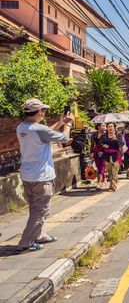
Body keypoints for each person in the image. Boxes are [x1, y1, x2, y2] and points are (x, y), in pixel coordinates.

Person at [16, 99, 73, 252]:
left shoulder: (21, 128)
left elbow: (45, 133)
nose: (45, 113)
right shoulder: (39, 130)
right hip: (42, 177)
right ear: (39, 112)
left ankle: (40, 235)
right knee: (40, 210)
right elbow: (64, 138)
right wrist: (68, 125)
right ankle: (26, 242)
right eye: (44, 110)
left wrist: (59, 123)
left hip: (28, 175)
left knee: (36, 208)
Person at [102, 122, 122, 192]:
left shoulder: (118, 135)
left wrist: (116, 139)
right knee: (109, 172)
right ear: (107, 128)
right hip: (107, 155)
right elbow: (101, 143)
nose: (110, 128)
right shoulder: (104, 135)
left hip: (115, 155)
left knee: (115, 172)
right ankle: (112, 184)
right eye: (109, 126)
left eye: (111, 126)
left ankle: (112, 185)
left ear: (114, 128)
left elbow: (121, 144)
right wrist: (103, 145)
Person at [90, 123, 107, 190]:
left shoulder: (106, 134)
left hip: (104, 152)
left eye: (105, 126)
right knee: (98, 167)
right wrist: (91, 152)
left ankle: (99, 183)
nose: (104, 127)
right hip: (96, 152)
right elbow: (92, 144)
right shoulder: (94, 134)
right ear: (99, 127)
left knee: (102, 166)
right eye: (103, 126)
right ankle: (103, 179)